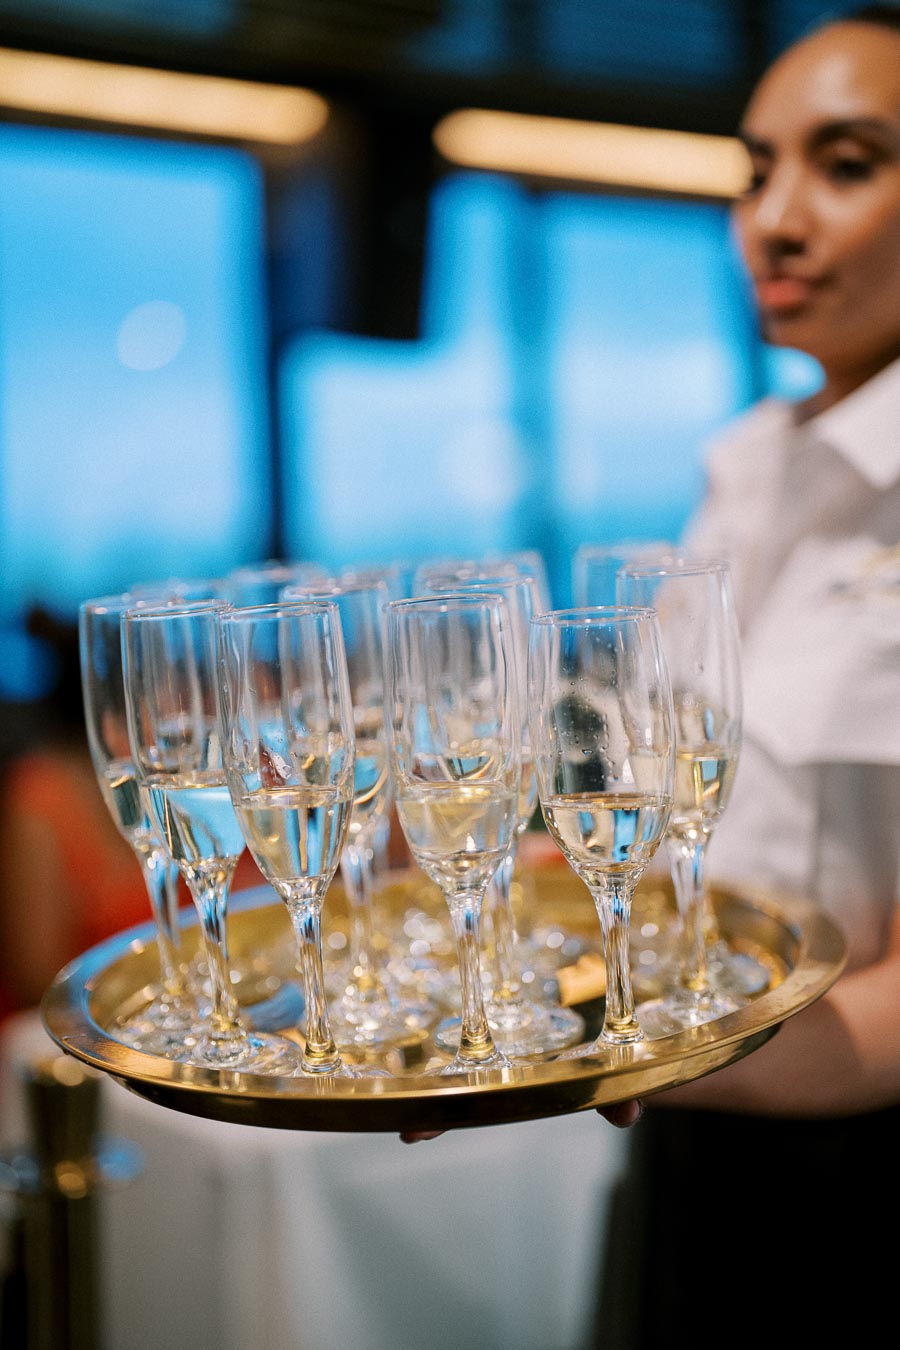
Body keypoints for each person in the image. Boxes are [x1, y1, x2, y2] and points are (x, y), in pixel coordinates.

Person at [595, 6, 900, 1343]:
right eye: (754, 169)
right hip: (693, 1143)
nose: (775, 220)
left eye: (846, 164)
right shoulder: (742, 475)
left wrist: (605, 1061)